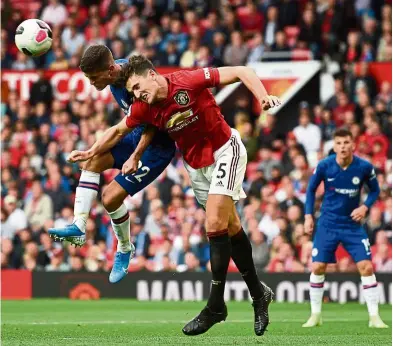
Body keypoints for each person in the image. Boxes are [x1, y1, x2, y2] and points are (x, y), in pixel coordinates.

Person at [68, 55, 280, 336]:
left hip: (224, 151)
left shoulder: (187, 80)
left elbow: (242, 70)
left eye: (139, 87)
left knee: (214, 225)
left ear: (153, 75)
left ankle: (215, 305)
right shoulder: (143, 107)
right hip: (196, 165)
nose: (138, 95)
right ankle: (258, 292)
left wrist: (263, 97)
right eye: (132, 92)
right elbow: (118, 130)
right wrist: (92, 152)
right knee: (230, 228)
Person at [48, 45, 176, 285]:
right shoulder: (115, 74)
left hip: (156, 147)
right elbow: (120, 129)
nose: (91, 82)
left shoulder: (136, 81)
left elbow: (152, 125)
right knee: (93, 161)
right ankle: (79, 225)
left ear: (109, 70)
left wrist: (135, 156)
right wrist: (90, 151)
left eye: (93, 78)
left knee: (109, 198)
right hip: (135, 135)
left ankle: (125, 248)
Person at [302, 128, 388, 329]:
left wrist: (365, 206)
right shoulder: (325, 165)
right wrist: (307, 216)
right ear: (334, 145)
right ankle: (315, 315)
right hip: (328, 223)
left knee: (366, 266)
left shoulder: (364, 167)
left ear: (353, 145)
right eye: (339, 143)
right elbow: (311, 190)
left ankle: (374, 317)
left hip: (351, 224)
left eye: (346, 143)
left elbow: (375, 190)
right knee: (317, 267)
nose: (342, 147)